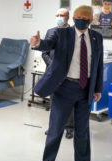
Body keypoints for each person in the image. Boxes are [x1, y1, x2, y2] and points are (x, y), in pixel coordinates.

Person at [30, 5, 103, 161]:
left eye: (85, 17)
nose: (81, 19)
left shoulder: (96, 38)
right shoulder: (61, 34)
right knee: (56, 129)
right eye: (77, 16)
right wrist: (37, 43)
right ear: (72, 18)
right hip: (64, 88)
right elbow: (46, 44)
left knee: (83, 130)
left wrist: (97, 88)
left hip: (86, 89)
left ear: (91, 20)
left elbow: (97, 65)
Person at [42, 8, 74, 139]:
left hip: (69, 75)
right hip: (53, 75)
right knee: (54, 102)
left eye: (62, 15)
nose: (59, 17)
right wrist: (53, 65)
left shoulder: (74, 33)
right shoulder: (51, 32)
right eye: (57, 15)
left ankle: (69, 128)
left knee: (69, 103)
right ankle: (53, 127)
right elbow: (44, 52)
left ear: (68, 17)